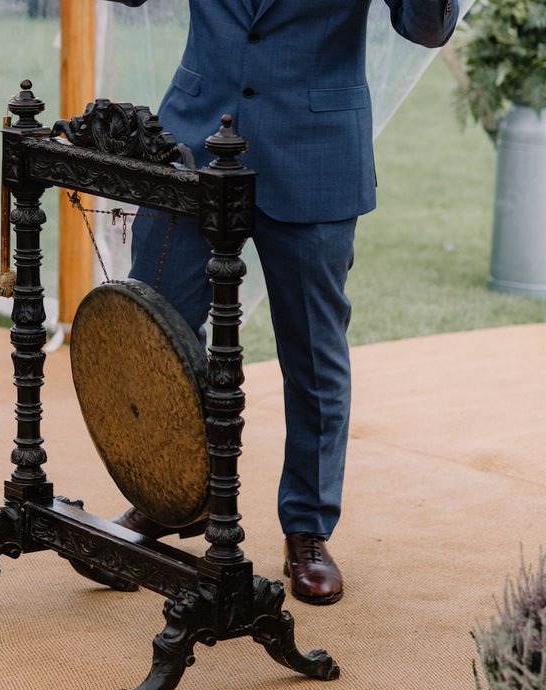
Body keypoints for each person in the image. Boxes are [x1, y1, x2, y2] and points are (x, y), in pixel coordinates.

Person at [104, 0, 459, 605]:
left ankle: (308, 529)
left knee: (313, 355)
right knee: (152, 332)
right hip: (193, 141)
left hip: (314, 149)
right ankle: (167, 500)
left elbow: (426, 27)